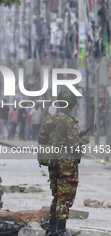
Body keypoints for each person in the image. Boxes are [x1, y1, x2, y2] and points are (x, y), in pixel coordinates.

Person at [38, 89, 89, 236]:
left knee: (57, 196)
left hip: (52, 163)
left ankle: (52, 229)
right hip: (67, 165)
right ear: (72, 105)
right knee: (65, 198)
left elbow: (41, 141)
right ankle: (60, 231)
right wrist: (85, 139)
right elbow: (75, 144)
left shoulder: (48, 120)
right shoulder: (70, 122)